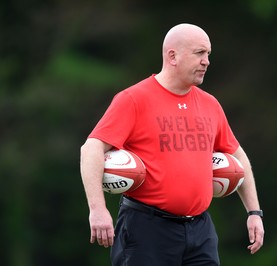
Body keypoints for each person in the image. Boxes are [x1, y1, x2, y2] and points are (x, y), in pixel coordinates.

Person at [80, 23, 264, 266]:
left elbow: (238, 156)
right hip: (146, 229)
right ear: (172, 56)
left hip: (200, 231)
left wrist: (254, 213)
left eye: (208, 54)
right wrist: (97, 209)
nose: (206, 61)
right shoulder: (134, 99)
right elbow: (91, 148)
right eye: (199, 53)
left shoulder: (210, 105)